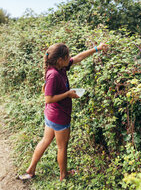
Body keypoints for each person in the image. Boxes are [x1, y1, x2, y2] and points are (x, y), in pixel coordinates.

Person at [19, 42, 108, 181]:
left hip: (52, 115)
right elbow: (48, 98)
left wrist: (96, 48)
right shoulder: (54, 74)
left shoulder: (60, 67)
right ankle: (63, 175)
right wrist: (68, 94)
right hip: (59, 116)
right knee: (62, 147)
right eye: (68, 56)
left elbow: (78, 58)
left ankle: (30, 170)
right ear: (60, 60)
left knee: (45, 140)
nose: (70, 57)